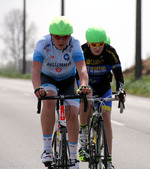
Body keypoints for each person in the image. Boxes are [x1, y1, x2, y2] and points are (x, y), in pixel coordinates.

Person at [31, 16, 90, 169]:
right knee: (49, 101)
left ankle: (73, 157)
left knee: (72, 112)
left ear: (70, 36)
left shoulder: (75, 45)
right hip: (48, 78)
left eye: (65, 37)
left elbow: (82, 69)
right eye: (57, 36)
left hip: (68, 80)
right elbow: (35, 70)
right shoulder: (43, 44)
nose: (61, 40)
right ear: (51, 35)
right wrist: (38, 88)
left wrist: (83, 85)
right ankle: (47, 150)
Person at [78, 26, 126, 169]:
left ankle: (109, 159)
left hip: (105, 88)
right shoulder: (82, 51)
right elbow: (77, 72)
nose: (98, 47)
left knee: (106, 117)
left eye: (100, 44)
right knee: (87, 100)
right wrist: (80, 87)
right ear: (88, 43)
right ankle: (84, 132)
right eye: (94, 44)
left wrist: (120, 91)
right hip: (88, 85)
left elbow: (118, 74)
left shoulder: (110, 52)